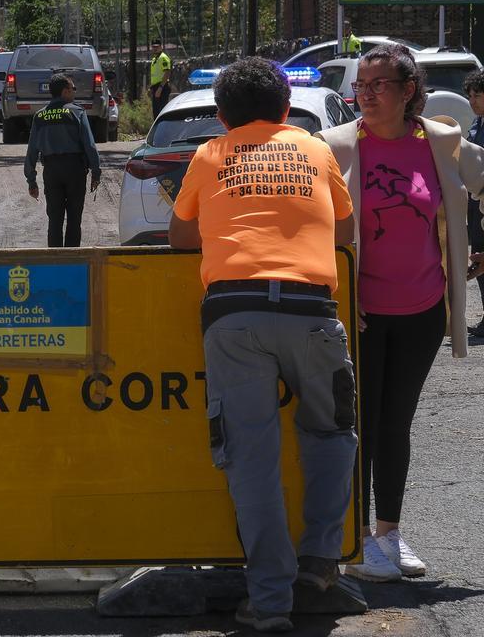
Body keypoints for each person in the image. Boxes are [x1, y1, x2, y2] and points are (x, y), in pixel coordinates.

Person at [169, 57, 359, 633]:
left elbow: (181, 236)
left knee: (252, 459)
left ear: (222, 116)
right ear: (285, 110)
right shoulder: (317, 151)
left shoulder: (210, 155)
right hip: (313, 312)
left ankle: (271, 603)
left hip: (233, 317)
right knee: (331, 432)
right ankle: (320, 560)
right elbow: (344, 231)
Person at [319, 43, 484, 582]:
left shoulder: (443, 143)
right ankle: (356, 538)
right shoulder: (335, 146)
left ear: (408, 90)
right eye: (360, 86)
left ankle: (389, 534)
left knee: (396, 423)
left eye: (378, 85)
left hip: (421, 308)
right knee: (359, 423)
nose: (364, 95)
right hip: (359, 310)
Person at [24, 74, 101, 247]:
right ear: (65, 91)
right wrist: (96, 171)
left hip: (51, 171)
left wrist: (31, 180)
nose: (74, 92)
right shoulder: (77, 112)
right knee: (74, 219)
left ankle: (55, 262)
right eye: (73, 88)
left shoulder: (40, 116)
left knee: (55, 220)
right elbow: (89, 145)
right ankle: (72, 261)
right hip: (75, 169)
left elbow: (32, 151)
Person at [465, 70, 484, 337]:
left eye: (478, 95)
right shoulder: (477, 123)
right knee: (479, 259)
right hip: (474, 202)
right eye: (469, 96)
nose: (472, 101)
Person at [149, 39, 172, 117]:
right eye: (153, 47)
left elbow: (167, 72)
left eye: (157, 47)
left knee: (161, 113)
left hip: (162, 87)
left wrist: (160, 88)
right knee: (156, 112)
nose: (155, 48)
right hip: (156, 87)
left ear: (161, 47)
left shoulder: (163, 57)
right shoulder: (155, 58)